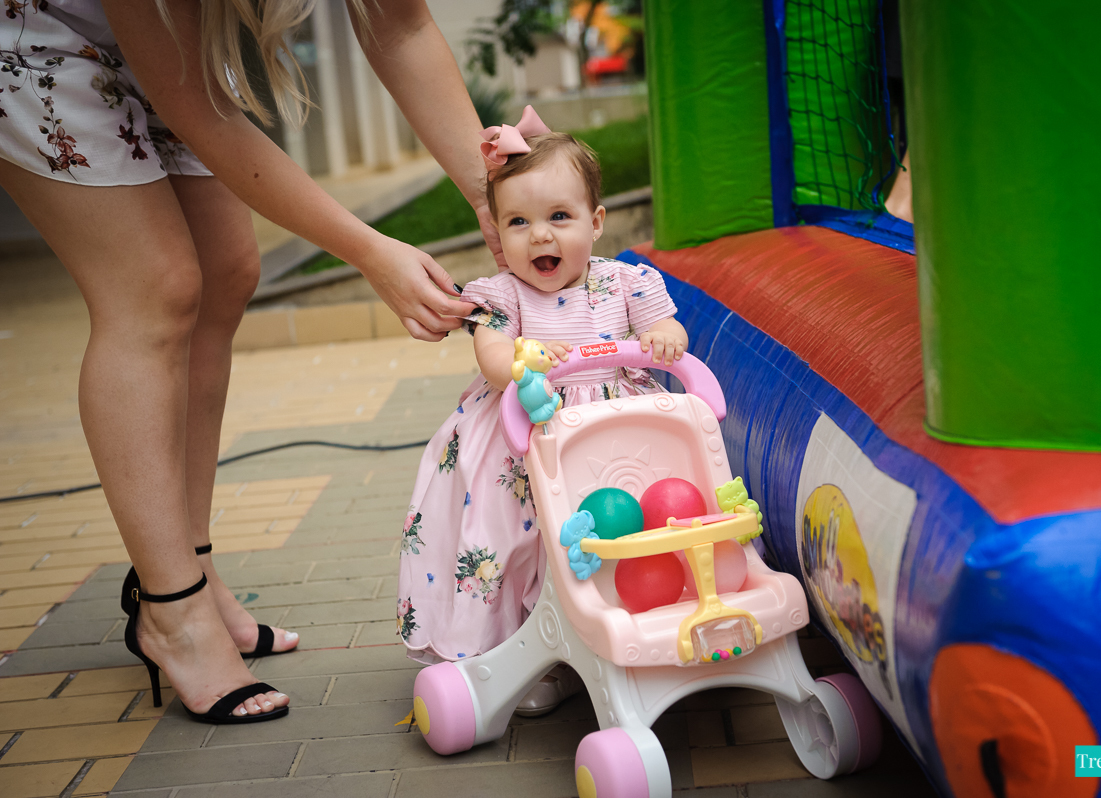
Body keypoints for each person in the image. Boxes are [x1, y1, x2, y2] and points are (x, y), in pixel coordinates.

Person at [0, 0, 499, 723]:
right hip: (35, 29)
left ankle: (190, 573)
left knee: (227, 269)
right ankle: (171, 611)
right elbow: (196, 108)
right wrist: (368, 250)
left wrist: (497, 196)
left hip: (164, 40)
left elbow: (401, 25)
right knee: (154, 286)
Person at [396, 110, 688, 716]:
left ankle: (641, 622)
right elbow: (492, 356)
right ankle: (519, 655)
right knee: (516, 545)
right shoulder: (503, 296)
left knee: (626, 521)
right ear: (499, 235)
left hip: (613, 429)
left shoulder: (624, 283)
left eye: (560, 217)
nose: (541, 237)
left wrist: (664, 334)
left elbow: (665, 325)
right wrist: (521, 360)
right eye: (520, 222)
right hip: (525, 437)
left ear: (595, 221)